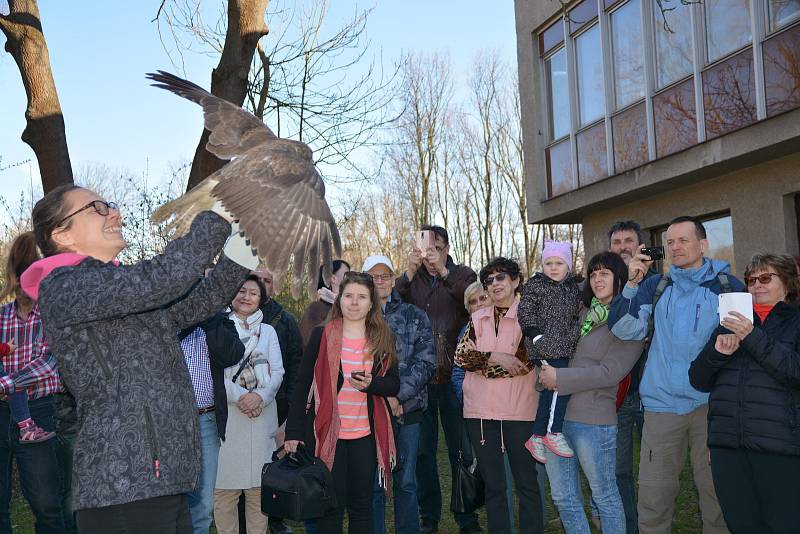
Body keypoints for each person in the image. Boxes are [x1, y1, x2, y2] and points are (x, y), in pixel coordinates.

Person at [23, 185, 258, 533]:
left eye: (111, 205)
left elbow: (197, 303)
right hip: (123, 485)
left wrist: (249, 241)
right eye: (96, 208)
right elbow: (164, 276)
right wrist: (220, 210)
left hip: (162, 480)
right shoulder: (64, 285)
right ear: (62, 233)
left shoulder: (112, 292)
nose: (114, 213)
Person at [608, 215, 742, 534]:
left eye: (683, 240)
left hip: (711, 407)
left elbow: (739, 343)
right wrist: (630, 285)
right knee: (654, 498)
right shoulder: (655, 285)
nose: (675, 247)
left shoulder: (727, 286)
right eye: (669, 242)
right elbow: (623, 328)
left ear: (703, 244)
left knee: (716, 496)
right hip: (661, 407)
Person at [689, 252, 800, 533]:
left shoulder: (795, 322)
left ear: (787, 282)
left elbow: (794, 372)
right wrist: (718, 354)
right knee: (742, 525)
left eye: (765, 278)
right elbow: (698, 379)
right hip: (728, 448)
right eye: (751, 280)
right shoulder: (730, 322)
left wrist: (752, 336)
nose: (756, 285)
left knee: (785, 525)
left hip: (780, 447)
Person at [285, 271, 400, 534]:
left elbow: (394, 384)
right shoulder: (322, 335)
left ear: (372, 302)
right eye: (348, 296)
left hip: (365, 437)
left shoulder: (383, 338)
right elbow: (302, 385)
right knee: (329, 507)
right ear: (339, 300)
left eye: (362, 297)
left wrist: (372, 384)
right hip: (327, 435)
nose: (354, 302)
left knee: (362, 506)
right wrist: (293, 432)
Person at [538, 251, 644, 534]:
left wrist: (559, 377)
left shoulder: (630, 322)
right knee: (563, 497)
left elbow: (609, 373)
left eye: (605, 273)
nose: (597, 279)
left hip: (593, 422)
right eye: (594, 273)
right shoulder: (581, 313)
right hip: (556, 421)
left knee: (604, 496)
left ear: (620, 279)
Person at [395, 225, 480, 534]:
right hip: (420, 382)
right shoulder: (410, 280)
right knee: (422, 453)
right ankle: (428, 514)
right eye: (425, 245)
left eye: (437, 246)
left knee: (461, 451)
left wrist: (443, 271)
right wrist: (407, 273)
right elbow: (389, 302)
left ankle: (467, 516)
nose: (430, 251)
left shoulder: (462, 274)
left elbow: (472, 299)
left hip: (455, 377)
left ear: (446, 247)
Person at [454, 256, 543, 534]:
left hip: (520, 411)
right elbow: (460, 355)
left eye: (501, 277)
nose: (494, 284)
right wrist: (495, 356)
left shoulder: (531, 316)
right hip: (480, 414)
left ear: (515, 281)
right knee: (494, 486)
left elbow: (522, 364)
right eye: (489, 280)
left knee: (527, 483)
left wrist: (483, 365)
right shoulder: (477, 318)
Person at [364, 255, 436, 534]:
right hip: (368, 412)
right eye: (373, 276)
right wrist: (382, 398)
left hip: (409, 410)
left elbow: (426, 362)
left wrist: (398, 396)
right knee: (374, 482)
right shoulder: (357, 318)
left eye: (384, 276)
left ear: (393, 280)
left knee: (406, 481)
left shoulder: (414, 315)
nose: (379, 281)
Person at [0, 233, 64, 532]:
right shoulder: (1, 316)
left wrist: (5, 384)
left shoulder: (53, 314)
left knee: (47, 505)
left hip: (38, 411)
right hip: (1, 414)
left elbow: (49, 363)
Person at [214, 276, 285, 534]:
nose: (246, 297)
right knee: (225, 493)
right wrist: (242, 397)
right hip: (230, 419)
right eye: (241, 290)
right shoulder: (219, 327)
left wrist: (260, 397)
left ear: (261, 299)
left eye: (253, 293)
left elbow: (278, 371)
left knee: (259, 491)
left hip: (262, 416)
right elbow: (216, 374)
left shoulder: (269, 332)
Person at [178, 273, 246, 534]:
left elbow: (232, 354)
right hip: (169, 424)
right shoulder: (165, 319)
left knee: (203, 506)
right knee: (172, 503)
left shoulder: (219, 322)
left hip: (206, 421)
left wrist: (207, 315)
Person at [606, 220, 655, 534]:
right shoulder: (602, 285)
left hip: (653, 394)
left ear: (640, 246)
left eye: (628, 241)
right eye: (616, 242)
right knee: (619, 471)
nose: (622, 246)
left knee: (655, 471)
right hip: (618, 394)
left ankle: (653, 524)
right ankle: (630, 527)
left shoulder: (659, 284)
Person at [518, 240, 581, 461]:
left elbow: (576, 313)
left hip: (563, 346)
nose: (553, 268)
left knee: (550, 391)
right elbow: (525, 311)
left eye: (559, 263)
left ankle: (537, 435)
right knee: (558, 388)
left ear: (568, 266)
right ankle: (553, 432)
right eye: (548, 263)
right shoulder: (536, 285)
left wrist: (575, 334)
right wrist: (535, 335)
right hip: (543, 346)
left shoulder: (572, 287)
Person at [252, 269, 303, 534]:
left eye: (267, 281)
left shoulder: (286, 321)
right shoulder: (231, 318)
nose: (261, 285)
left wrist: (292, 412)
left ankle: (274, 520)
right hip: (240, 406)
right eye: (255, 279)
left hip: (278, 404)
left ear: (273, 287)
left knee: (273, 466)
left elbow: (297, 367)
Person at [299, 260, 351, 347]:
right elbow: (311, 347)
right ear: (333, 278)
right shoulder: (315, 310)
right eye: (347, 275)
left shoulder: (353, 309)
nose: (351, 279)